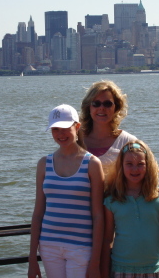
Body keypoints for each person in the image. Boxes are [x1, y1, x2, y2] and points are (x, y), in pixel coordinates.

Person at [28, 104, 105, 278]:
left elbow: (98, 215)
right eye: (55, 129)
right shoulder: (43, 164)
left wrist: (95, 261)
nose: (60, 134)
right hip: (48, 246)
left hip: (81, 246)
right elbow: (38, 213)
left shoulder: (92, 164)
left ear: (77, 127)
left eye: (65, 128)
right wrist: (32, 258)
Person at [101, 140, 159, 278]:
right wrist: (103, 272)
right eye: (129, 164)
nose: (135, 169)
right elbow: (108, 238)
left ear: (148, 166)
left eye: (140, 164)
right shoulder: (112, 199)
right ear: (121, 166)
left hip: (153, 270)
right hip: (120, 269)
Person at [80, 80, 137, 176]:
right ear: (89, 107)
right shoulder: (76, 141)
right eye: (96, 103)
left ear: (116, 107)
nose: (101, 108)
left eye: (107, 104)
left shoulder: (128, 142)